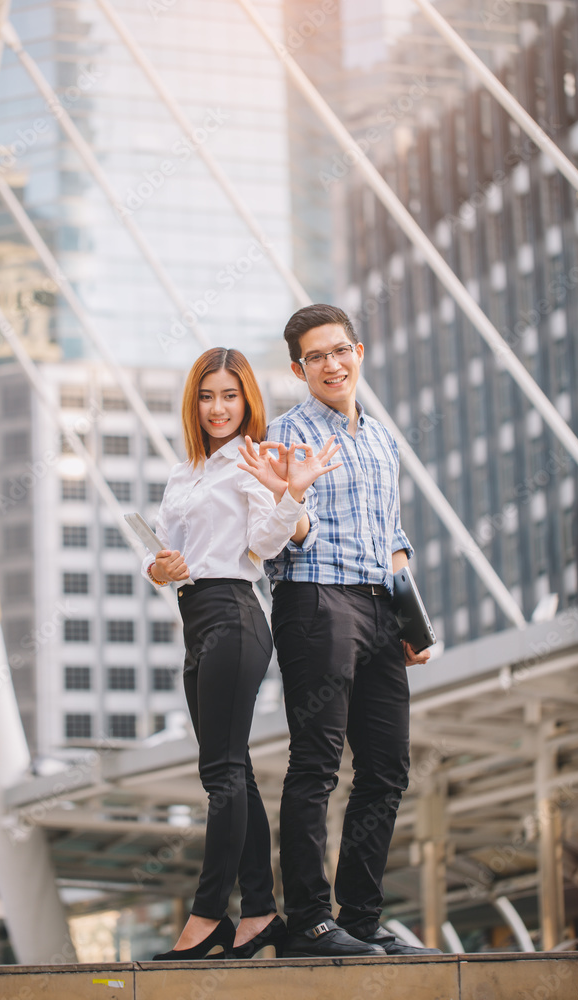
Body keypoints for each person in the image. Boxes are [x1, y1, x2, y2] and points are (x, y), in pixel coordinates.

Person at [143, 346, 341, 961]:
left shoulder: (252, 461)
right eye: (207, 396)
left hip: (234, 613)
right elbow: (166, 560)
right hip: (195, 618)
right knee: (233, 771)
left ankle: (207, 917)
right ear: (193, 403)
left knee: (220, 772)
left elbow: (263, 543)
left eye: (230, 395)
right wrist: (160, 566)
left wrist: (289, 495)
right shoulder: (184, 474)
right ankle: (258, 912)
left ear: (247, 399)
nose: (218, 407)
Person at [263, 304, 439, 959]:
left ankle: (361, 920)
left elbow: (391, 537)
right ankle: (308, 920)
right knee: (315, 765)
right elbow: (273, 539)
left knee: (387, 767)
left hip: (378, 608)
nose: (332, 364)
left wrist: (409, 619)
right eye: (316, 357)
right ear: (297, 368)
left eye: (340, 351)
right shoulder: (283, 437)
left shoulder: (381, 438)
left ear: (358, 352)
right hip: (314, 603)